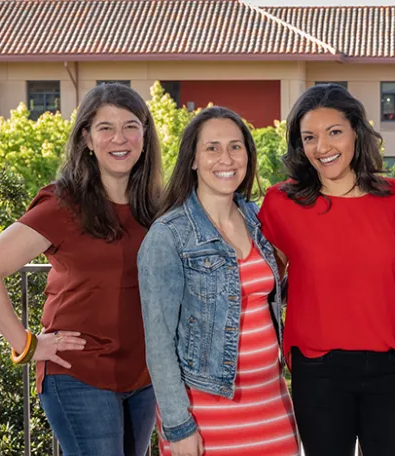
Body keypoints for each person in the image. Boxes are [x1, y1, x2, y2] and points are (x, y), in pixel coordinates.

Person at [0, 83, 163, 456]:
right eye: (105, 128)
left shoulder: (156, 206)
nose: (119, 138)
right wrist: (26, 344)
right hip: (79, 374)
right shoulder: (63, 204)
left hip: (143, 376)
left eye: (130, 126)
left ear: (145, 135)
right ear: (87, 138)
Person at [258, 84, 395, 456]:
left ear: (356, 133)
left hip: (389, 365)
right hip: (318, 368)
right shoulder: (281, 202)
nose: (322, 147)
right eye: (309, 137)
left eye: (334, 132)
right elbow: (262, 281)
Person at [138, 106, 299, 456]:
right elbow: (158, 344)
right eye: (212, 148)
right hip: (206, 415)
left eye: (235, 146)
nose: (226, 158)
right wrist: (179, 426)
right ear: (193, 160)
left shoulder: (258, 219)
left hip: (272, 406)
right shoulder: (168, 236)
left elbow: (270, 295)